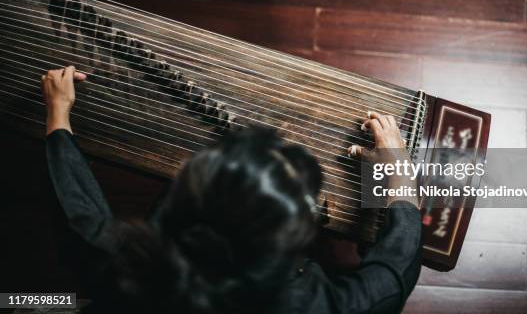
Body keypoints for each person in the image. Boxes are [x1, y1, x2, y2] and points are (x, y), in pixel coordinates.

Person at [41, 65, 422, 314]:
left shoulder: (125, 266)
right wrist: (398, 169)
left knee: (36, 303)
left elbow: (80, 217)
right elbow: (394, 274)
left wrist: (58, 114)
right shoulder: (306, 306)